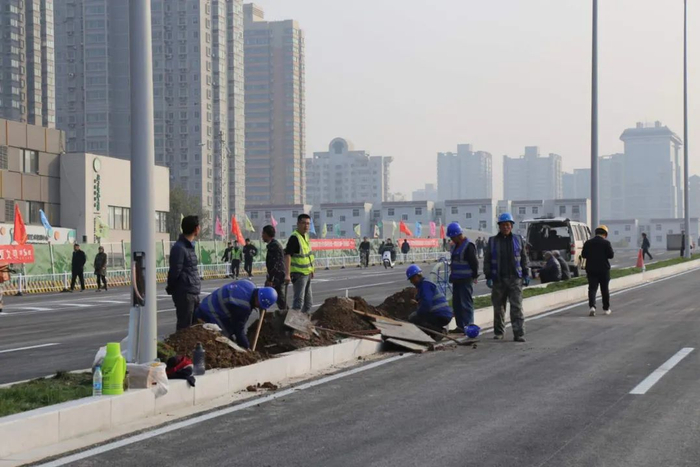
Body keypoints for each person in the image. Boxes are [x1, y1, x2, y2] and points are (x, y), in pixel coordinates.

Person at [484, 213, 530, 342]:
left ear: (512, 226)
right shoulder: (493, 241)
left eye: (508, 225)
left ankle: (519, 333)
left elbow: (524, 258)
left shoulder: (518, 239)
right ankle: (499, 332)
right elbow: (487, 260)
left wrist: (526, 273)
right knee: (498, 308)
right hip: (498, 279)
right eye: (503, 225)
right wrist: (488, 276)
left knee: (517, 307)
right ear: (499, 226)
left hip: (515, 279)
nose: (506, 227)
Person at [194, 281, 278, 349]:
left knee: (230, 331)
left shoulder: (250, 285)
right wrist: (246, 347)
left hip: (209, 302)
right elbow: (239, 329)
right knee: (224, 338)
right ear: (258, 299)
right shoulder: (243, 305)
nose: (259, 307)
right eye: (260, 305)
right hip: (210, 311)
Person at [167, 215, 202, 330]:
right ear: (196, 229)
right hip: (185, 293)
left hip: (192, 291)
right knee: (185, 328)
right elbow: (174, 271)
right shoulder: (179, 248)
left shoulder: (188, 247)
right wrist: (172, 288)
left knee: (195, 327)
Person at [447, 222, 479, 332]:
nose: (451, 239)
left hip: (466, 279)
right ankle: (460, 326)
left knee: (466, 303)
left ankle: (468, 326)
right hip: (456, 279)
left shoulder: (468, 246)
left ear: (458, 235)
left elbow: (474, 263)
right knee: (457, 304)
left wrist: (474, 276)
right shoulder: (456, 246)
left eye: (452, 237)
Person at [406, 265, 454, 333]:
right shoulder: (423, 285)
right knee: (419, 318)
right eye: (410, 280)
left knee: (415, 319)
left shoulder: (425, 285)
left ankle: (438, 332)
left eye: (413, 278)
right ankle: (437, 330)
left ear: (418, 275)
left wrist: (418, 313)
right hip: (442, 314)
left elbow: (427, 303)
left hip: (440, 314)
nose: (412, 281)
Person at [582, 225, 614, 316]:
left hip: (591, 269)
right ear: (605, 234)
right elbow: (611, 255)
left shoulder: (588, 243)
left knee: (592, 289)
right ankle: (606, 309)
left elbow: (584, 255)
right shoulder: (606, 243)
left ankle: (592, 307)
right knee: (604, 289)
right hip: (604, 269)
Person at [285, 213, 314, 314]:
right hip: (298, 274)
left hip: (307, 273)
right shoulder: (295, 238)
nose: (306, 226)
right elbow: (287, 255)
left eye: (308, 223)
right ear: (298, 224)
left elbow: (308, 255)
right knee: (298, 303)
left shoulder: (305, 236)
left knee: (308, 303)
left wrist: (311, 269)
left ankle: (302, 321)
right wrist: (287, 274)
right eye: (303, 223)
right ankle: (292, 322)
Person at [262, 224, 287, 310]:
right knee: (279, 298)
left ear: (266, 234)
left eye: (263, 233)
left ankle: (287, 314)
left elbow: (275, 264)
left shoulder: (274, 246)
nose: (262, 236)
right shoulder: (273, 245)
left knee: (279, 299)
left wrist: (271, 279)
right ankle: (285, 313)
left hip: (277, 276)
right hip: (276, 276)